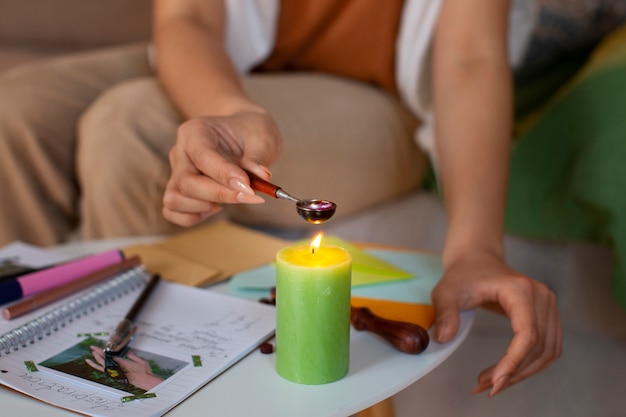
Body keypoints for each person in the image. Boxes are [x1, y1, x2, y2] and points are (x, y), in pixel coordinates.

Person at [0, 0, 561, 397]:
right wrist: (235, 111)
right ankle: (20, 367)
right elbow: (188, 17)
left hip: (379, 92)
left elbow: (469, 57)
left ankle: (110, 382)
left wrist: (475, 249)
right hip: (234, 66)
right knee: (13, 113)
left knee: (128, 127)